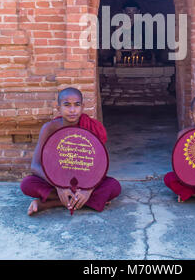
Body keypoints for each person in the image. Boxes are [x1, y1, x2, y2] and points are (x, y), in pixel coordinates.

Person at [20, 87, 121, 215]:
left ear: (82, 107)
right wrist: (59, 186)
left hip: (85, 178)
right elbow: (35, 166)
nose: (72, 110)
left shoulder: (90, 127)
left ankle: (47, 204)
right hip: (57, 178)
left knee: (114, 186)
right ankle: (87, 201)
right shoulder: (49, 128)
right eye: (67, 105)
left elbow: (99, 166)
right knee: (27, 184)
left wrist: (89, 190)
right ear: (58, 108)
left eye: (77, 105)